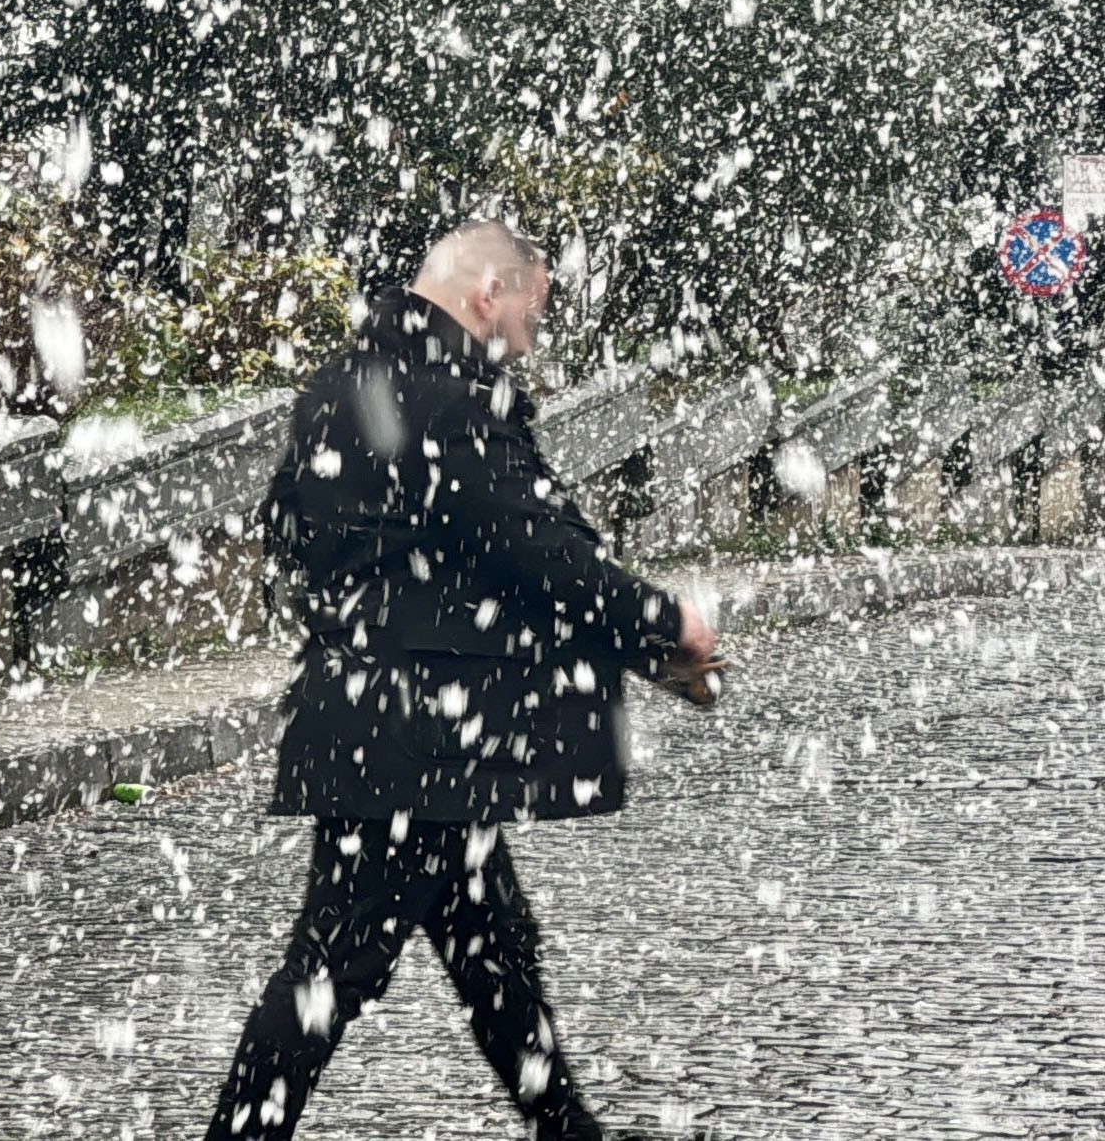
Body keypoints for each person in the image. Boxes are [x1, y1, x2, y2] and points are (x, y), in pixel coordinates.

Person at [206, 220, 721, 1141]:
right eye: (532, 305)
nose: (533, 329)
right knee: (333, 971)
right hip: (418, 742)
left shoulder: (345, 384)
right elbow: (536, 552)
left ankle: (567, 1130)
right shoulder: (446, 399)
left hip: (397, 728)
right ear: (489, 293)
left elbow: (302, 539)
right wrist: (664, 623)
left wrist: (375, 629)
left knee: (493, 949)